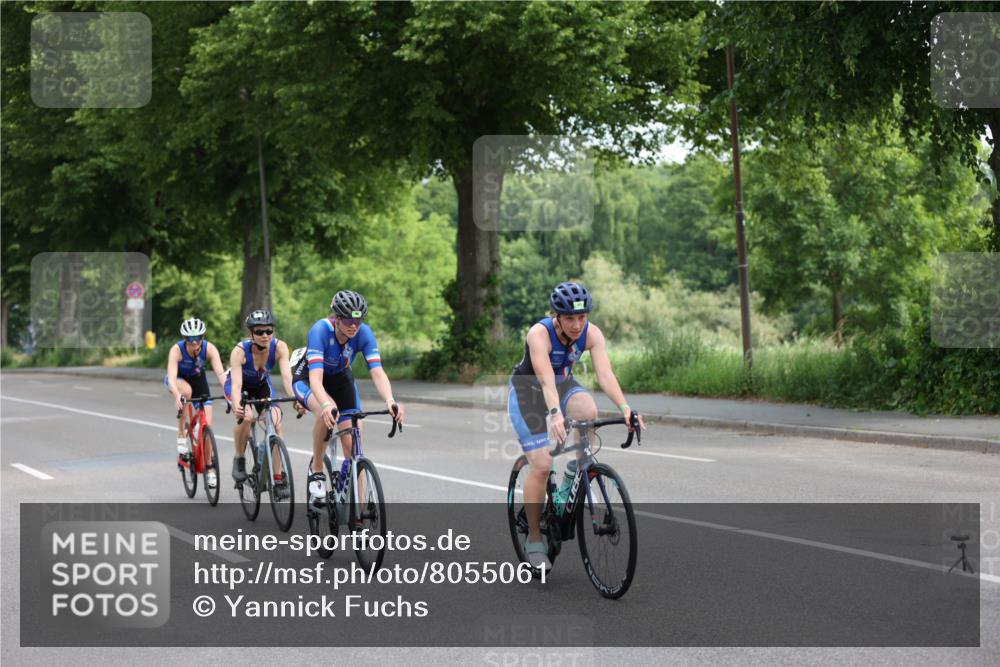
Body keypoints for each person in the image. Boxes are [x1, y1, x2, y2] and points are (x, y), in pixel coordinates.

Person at [507, 281, 645, 570]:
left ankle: (575, 470)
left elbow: (605, 376)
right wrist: (556, 413)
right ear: (556, 316)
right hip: (527, 392)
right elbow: (545, 380)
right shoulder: (539, 334)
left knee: (589, 410)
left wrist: (626, 408)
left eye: (582, 317)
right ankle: (534, 539)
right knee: (542, 465)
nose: (576, 324)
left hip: (563, 384)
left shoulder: (591, 334)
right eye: (569, 318)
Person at [292, 290, 404, 504]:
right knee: (327, 413)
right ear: (336, 318)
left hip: (341, 379)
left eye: (358, 320)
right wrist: (324, 404)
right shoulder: (320, 331)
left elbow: (378, 372)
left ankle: (359, 512)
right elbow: (316, 379)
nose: (354, 325)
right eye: (348, 320)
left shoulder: (364, 333)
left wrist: (390, 400)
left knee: (354, 445)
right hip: (309, 378)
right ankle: (316, 471)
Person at [226, 309, 304, 498]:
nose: (265, 335)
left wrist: (297, 398)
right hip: (240, 387)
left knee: (276, 423)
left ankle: (278, 478)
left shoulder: (280, 348)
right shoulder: (239, 352)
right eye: (259, 332)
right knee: (246, 417)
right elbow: (236, 385)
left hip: (261, 385)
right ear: (251, 333)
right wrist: (237, 406)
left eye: (268, 331)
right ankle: (239, 457)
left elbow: (287, 378)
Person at [165, 317, 228, 489]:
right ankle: (181, 434)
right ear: (184, 339)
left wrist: (230, 393)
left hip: (199, 381)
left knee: (207, 427)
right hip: (179, 381)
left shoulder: (209, 349)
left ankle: (209, 469)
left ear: (202, 337)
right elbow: (171, 377)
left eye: (197, 339)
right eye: (190, 340)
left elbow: (221, 374)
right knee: (187, 392)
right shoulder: (177, 350)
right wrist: (177, 394)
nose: (194, 343)